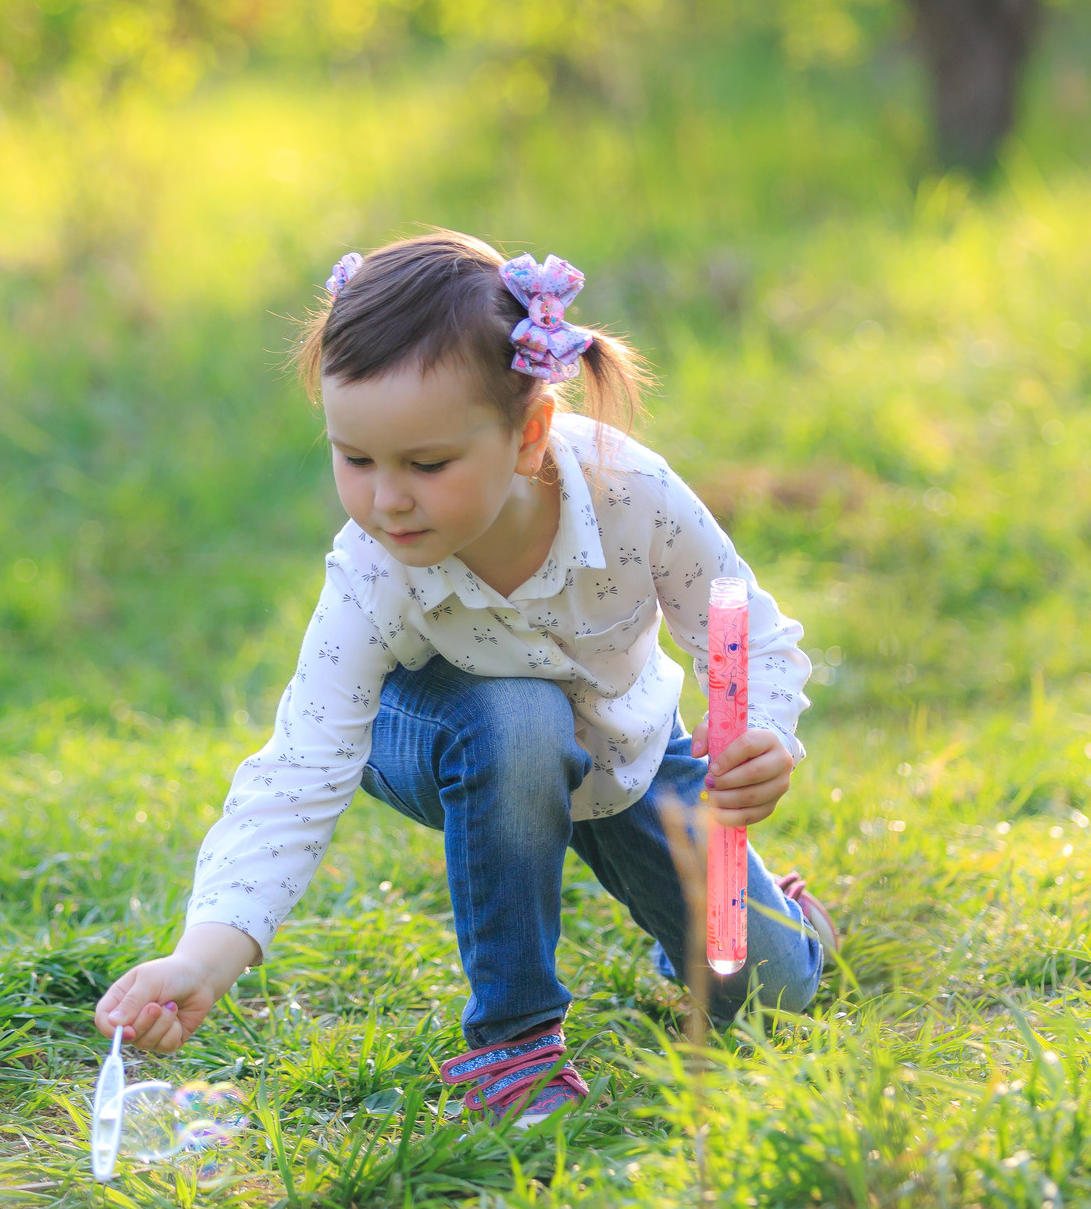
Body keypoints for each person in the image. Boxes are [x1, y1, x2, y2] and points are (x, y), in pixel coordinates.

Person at [91, 230, 836, 1124]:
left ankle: (771, 916)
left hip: (626, 754)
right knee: (516, 720)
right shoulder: (374, 569)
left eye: (427, 464)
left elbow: (735, 625)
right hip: (444, 737)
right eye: (355, 459)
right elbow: (300, 767)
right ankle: (516, 1046)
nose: (386, 499)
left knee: (767, 990)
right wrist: (208, 950)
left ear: (529, 434)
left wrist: (757, 727)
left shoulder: (635, 497)